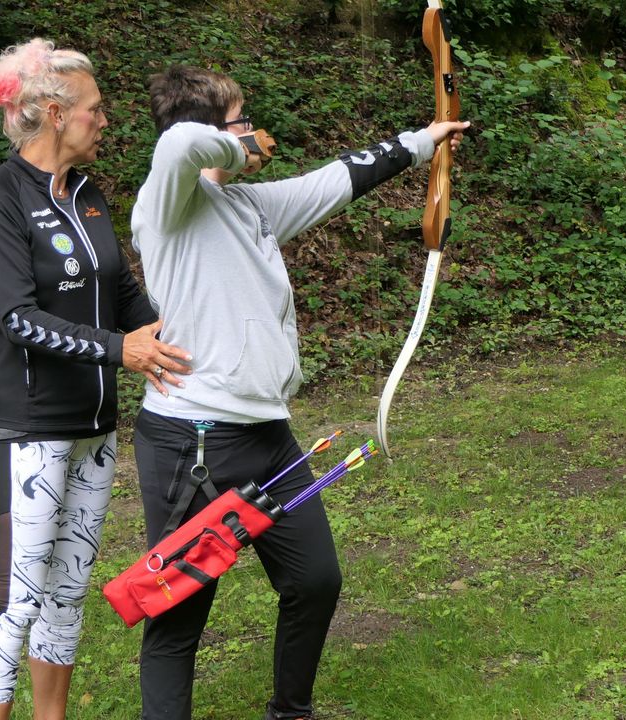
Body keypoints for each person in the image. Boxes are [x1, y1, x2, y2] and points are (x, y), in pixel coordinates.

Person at [129, 65, 468, 720]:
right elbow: (177, 146)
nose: (256, 131)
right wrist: (240, 144)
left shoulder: (248, 207)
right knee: (178, 614)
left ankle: (291, 711)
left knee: (315, 580)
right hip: (193, 444)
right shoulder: (168, 205)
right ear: (213, 130)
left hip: (268, 440)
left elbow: (335, 180)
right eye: (241, 118)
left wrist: (425, 140)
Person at [0, 39, 192, 720]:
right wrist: (122, 351)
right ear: (56, 113)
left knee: (67, 593)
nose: (104, 119)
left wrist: (169, 338)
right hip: (28, 429)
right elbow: (18, 320)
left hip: (95, 430)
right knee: (16, 598)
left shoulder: (89, 195)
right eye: (94, 108)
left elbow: (120, 290)